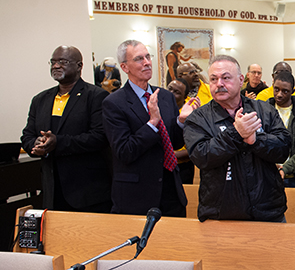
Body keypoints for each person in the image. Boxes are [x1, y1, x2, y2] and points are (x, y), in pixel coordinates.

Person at [184, 54, 290, 222]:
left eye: (226, 78)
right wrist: (236, 133)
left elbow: (284, 148)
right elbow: (201, 156)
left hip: (268, 211)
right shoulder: (198, 119)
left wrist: (256, 140)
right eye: (213, 79)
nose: (219, 84)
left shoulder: (265, 110)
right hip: (221, 213)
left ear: (241, 80)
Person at [102, 40, 199, 217]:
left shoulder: (165, 96)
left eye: (148, 57)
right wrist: (152, 122)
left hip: (170, 192)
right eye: (139, 59)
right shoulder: (114, 103)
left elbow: (174, 143)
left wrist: (182, 120)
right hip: (137, 196)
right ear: (125, 67)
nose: (147, 62)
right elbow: (125, 151)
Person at [21, 46, 112, 213]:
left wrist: (58, 143)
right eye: (53, 62)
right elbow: (27, 135)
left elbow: (99, 138)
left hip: (87, 192)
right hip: (52, 190)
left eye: (63, 62)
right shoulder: (40, 100)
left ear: (79, 66)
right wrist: (36, 144)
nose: (56, 66)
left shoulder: (96, 96)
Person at [167, 78, 195, 184]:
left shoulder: (190, 115)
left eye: (177, 92)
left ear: (184, 98)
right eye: (169, 89)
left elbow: (193, 148)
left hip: (182, 167)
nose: (171, 93)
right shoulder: (160, 111)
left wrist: (169, 154)